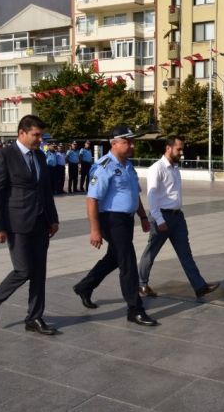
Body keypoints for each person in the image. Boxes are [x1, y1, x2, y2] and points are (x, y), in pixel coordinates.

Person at [72, 126, 158, 327]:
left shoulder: (128, 166)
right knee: (127, 260)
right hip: (110, 220)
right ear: (114, 143)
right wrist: (95, 230)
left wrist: (143, 217)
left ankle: (85, 286)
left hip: (126, 220)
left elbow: (133, 194)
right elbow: (92, 199)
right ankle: (134, 309)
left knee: (114, 258)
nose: (132, 145)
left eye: (131, 141)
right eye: (127, 141)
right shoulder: (104, 166)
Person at [0, 115, 60, 335]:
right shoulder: (4, 155)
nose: (40, 140)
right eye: (36, 135)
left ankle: (34, 318)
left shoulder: (40, 157)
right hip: (17, 223)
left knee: (39, 273)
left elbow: (45, 190)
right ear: (22, 133)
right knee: (23, 269)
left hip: (40, 221)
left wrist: (53, 218)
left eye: (41, 135)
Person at [137, 136, 220, 298]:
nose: (182, 153)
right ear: (168, 148)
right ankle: (142, 284)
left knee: (185, 253)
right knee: (151, 252)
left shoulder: (175, 168)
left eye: (182, 149)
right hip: (161, 217)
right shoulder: (157, 168)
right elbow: (152, 196)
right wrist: (159, 220)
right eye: (179, 149)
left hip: (177, 218)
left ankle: (199, 287)